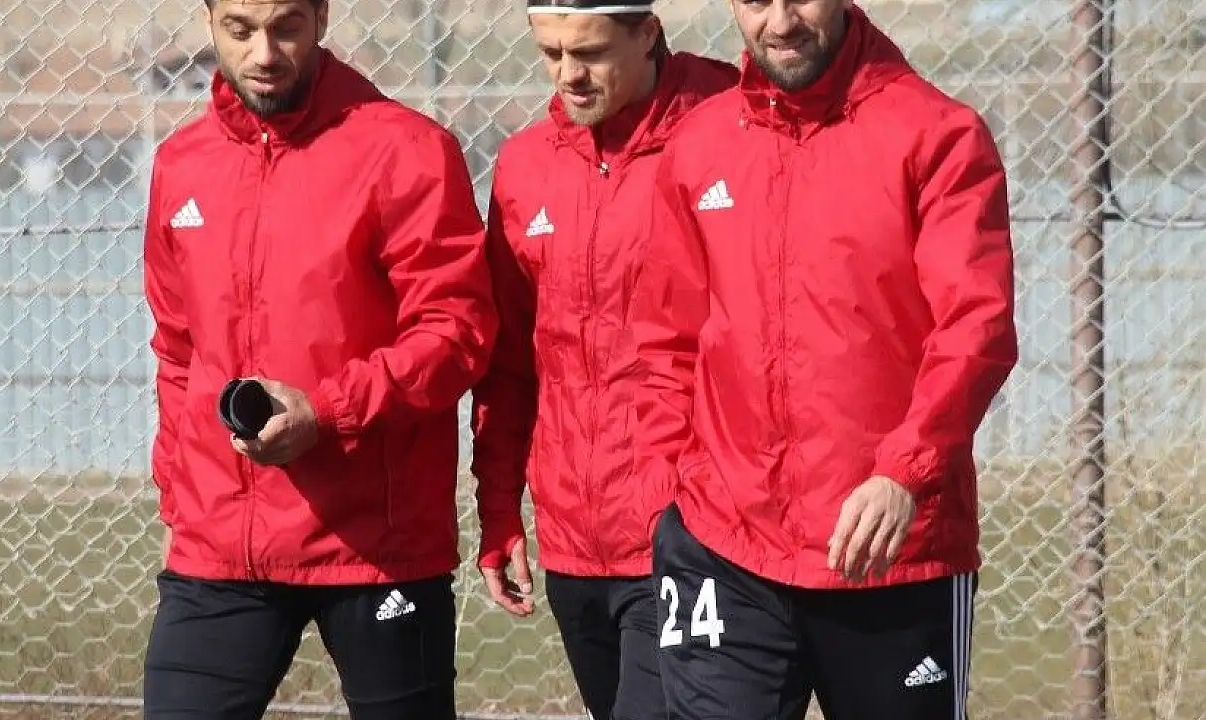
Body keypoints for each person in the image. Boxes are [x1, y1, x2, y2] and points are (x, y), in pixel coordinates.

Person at [630, 1, 1019, 718]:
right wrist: (668, 494)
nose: (780, 22)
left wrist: (905, 472)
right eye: (756, 1)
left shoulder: (937, 135)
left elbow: (976, 328)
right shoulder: (700, 143)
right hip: (723, 545)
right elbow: (665, 338)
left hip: (889, 553)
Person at [139, 0, 497, 717]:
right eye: (240, 30)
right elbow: (177, 350)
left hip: (376, 545)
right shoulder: (182, 164)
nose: (264, 53)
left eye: (286, 27)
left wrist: (328, 412)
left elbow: (456, 332)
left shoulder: (406, 150)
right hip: (219, 545)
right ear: (209, 22)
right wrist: (179, 495)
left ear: (323, 17)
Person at [468, 1, 738, 718]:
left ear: (647, 33)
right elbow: (510, 362)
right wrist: (499, 507)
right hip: (574, 544)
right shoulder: (526, 165)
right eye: (550, 53)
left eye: (588, 52)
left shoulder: (727, 132)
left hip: (691, 535)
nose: (568, 75)